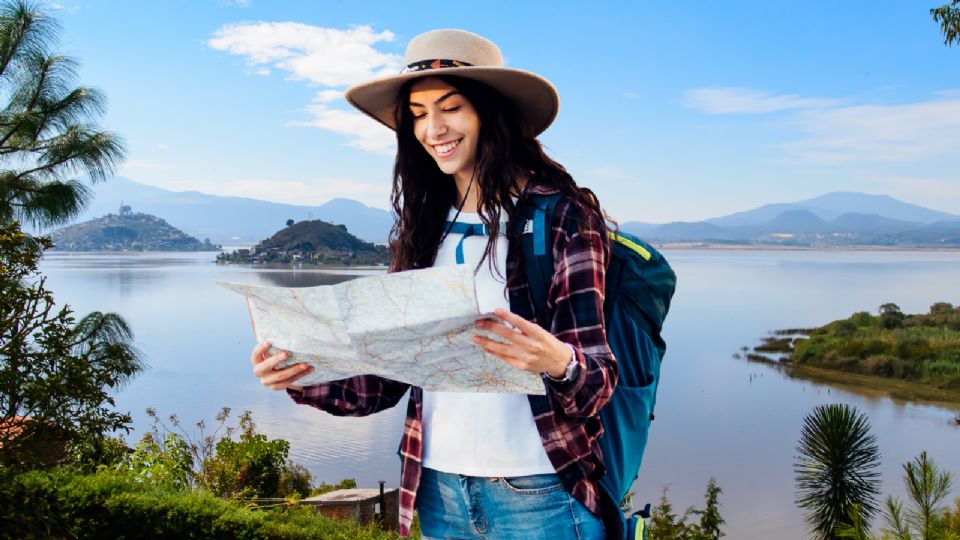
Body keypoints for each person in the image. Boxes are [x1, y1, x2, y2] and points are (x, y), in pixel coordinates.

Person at [250, 29, 616, 539]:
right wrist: (301, 376)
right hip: (438, 493)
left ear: (492, 113)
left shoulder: (561, 217)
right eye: (418, 114)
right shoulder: (422, 228)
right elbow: (383, 380)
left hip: (540, 497)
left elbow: (599, 383)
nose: (433, 128)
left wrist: (556, 363)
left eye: (451, 108)